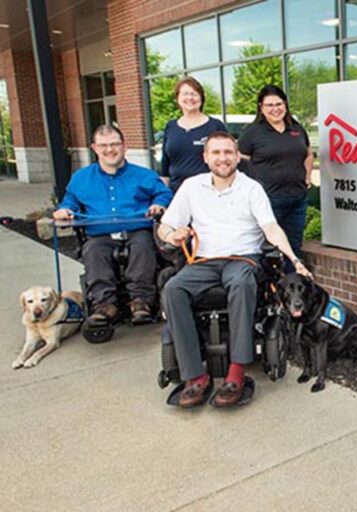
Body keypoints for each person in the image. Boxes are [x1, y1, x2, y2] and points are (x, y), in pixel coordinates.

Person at [158, 132, 311, 408]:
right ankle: (195, 376)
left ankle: (236, 373)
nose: (222, 158)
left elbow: (271, 229)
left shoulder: (251, 188)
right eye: (216, 153)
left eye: (228, 152)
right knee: (173, 287)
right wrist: (172, 235)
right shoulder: (191, 187)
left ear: (237, 156)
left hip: (243, 259)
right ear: (205, 157)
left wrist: (295, 260)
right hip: (204, 261)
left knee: (240, 284)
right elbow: (165, 227)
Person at [54, 124, 172, 323]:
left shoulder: (143, 175)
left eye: (115, 144)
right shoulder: (81, 178)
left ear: (124, 146)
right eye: (104, 145)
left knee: (144, 246)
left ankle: (141, 301)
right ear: (94, 148)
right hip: (100, 234)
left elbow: (164, 194)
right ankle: (105, 304)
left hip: (136, 230)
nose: (110, 150)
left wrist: (158, 204)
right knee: (93, 251)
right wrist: (65, 210)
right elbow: (70, 201)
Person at [238, 85, 312, 273]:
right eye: (269, 105)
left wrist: (308, 176)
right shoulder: (253, 132)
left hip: (297, 199)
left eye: (279, 103)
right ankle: (268, 290)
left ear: (285, 105)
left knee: (293, 247)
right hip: (268, 199)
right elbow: (241, 162)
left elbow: (308, 153)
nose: (275, 108)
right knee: (268, 248)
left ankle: (290, 290)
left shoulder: (296, 128)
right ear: (261, 107)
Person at [159, 77, 228, 193]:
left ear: (201, 98)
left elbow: (227, 160)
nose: (190, 98)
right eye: (185, 94)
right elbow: (165, 165)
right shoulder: (171, 127)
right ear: (177, 98)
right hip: (177, 192)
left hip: (209, 191)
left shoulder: (215, 126)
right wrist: (163, 195)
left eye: (194, 94)